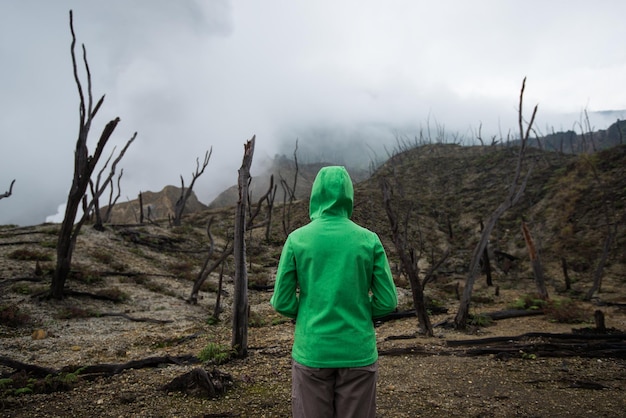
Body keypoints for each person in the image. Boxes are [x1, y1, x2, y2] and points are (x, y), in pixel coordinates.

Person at [270, 165, 398, 418]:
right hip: (357, 350)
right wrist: (359, 313)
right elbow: (387, 301)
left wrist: (307, 312)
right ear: (349, 196)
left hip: (313, 350)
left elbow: (282, 302)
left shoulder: (297, 239)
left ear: (316, 194)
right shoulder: (369, 239)